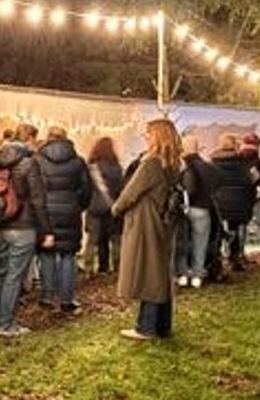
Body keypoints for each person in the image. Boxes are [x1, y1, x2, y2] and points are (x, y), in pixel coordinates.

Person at [112, 119, 183, 342]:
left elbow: (130, 193)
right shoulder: (172, 163)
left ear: (157, 136)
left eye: (148, 133)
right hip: (161, 220)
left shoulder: (151, 163)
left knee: (147, 272)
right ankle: (161, 325)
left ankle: (146, 326)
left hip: (145, 221)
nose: (145, 136)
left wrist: (116, 209)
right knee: (159, 272)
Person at [0, 123, 46, 336]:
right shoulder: (28, 163)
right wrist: (45, 229)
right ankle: (6, 324)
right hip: (22, 226)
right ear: (29, 140)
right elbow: (37, 199)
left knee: (2, 272)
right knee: (15, 276)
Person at [34, 125, 92, 315]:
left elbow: (36, 188)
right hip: (70, 211)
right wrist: (77, 206)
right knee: (68, 256)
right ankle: (67, 299)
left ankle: (47, 297)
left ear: (48, 138)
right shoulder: (78, 161)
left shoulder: (39, 160)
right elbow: (86, 190)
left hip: (46, 212)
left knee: (47, 254)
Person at [207, 133, 260, 274]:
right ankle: (235, 258)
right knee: (235, 231)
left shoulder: (212, 162)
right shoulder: (244, 162)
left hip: (219, 202)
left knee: (218, 232)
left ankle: (216, 262)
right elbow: (253, 179)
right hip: (239, 202)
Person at [179, 135, 218, 287]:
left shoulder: (182, 167)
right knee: (200, 243)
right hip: (203, 208)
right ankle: (197, 275)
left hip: (184, 209)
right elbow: (218, 182)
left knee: (182, 242)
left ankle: (183, 274)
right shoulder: (208, 167)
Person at [85, 136, 125, 278]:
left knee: (93, 239)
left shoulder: (91, 167)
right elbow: (121, 188)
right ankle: (117, 268)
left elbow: (86, 187)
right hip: (113, 207)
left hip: (94, 207)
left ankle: (90, 269)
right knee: (115, 239)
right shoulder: (117, 167)